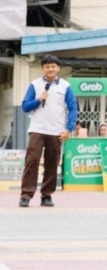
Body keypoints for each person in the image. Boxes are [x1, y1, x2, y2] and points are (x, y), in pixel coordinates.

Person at [19, 54, 77, 207]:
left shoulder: (65, 86)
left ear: (58, 68)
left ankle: (47, 196)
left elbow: (73, 108)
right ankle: (26, 195)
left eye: (53, 66)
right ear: (42, 69)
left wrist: (68, 129)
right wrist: (39, 100)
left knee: (52, 164)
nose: (50, 69)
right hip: (37, 129)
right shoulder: (35, 85)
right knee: (31, 162)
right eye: (47, 66)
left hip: (56, 131)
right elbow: (25, 106)